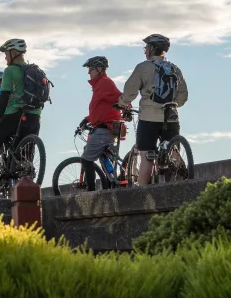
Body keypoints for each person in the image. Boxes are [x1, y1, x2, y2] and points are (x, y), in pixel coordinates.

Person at [117, 34, 188, 186]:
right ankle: (183, 177)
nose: (144, 51)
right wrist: (173, 105)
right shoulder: (175, 69)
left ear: (152, 49)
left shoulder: (143, 68)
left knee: (147, 156)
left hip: (149, 118)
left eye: (146, 47)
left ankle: (141, 194)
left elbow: (130, 92)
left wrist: (122, 103)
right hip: (171, 116)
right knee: (172, 149)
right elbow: (183, 95)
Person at [0, 39, 41, 187]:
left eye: (6, 53)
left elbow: (4, 97)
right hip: (35, 116)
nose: (5, 57)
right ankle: (26, 176)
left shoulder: (10, 71)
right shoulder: (35, 71)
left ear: (14, 53)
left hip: (14, 114)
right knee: (23, 152)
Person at [79, 56, 123, 191]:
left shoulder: (104, 83)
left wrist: (125, 108)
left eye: (90, 69)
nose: (88, 72)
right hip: (105, 127)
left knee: (86, 159)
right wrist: (87, 119)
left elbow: (121, 99)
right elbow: (101, 108)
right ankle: (112, 186)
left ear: (99, 69)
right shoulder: (100, 85)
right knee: (106, 162)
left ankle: (91, 192)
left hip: (105, 129)